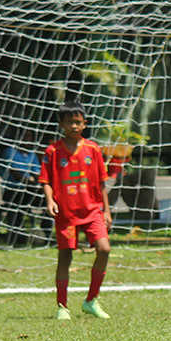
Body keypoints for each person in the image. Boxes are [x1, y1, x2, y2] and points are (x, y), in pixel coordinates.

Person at [39, 102, 112, 320]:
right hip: (66, 213)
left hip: (92, 211)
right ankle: (62, 306)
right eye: (70, 122)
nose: (74, 125)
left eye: (78, 122)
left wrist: (107, 211)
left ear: (85, 124)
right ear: (61, 124)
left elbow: (101, 182)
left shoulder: (93, 149)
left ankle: (91, 300)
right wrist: (50, 200)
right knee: (65, 257)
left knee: (105, 249)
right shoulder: (52, 151)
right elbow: (46, 180)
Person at [0, 130, 42, 246]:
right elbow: (17, 176)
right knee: (18, 201)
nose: (27, 139)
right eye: (24, 136)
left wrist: (42, 185)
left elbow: (37, 174)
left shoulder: (32, 154)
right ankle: (15, 237)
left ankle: (45, 233)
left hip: (29, 191)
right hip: (12, 191)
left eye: (29, 136)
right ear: (18, 137)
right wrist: (36, 185)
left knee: (49, 200)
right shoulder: (9, 152)